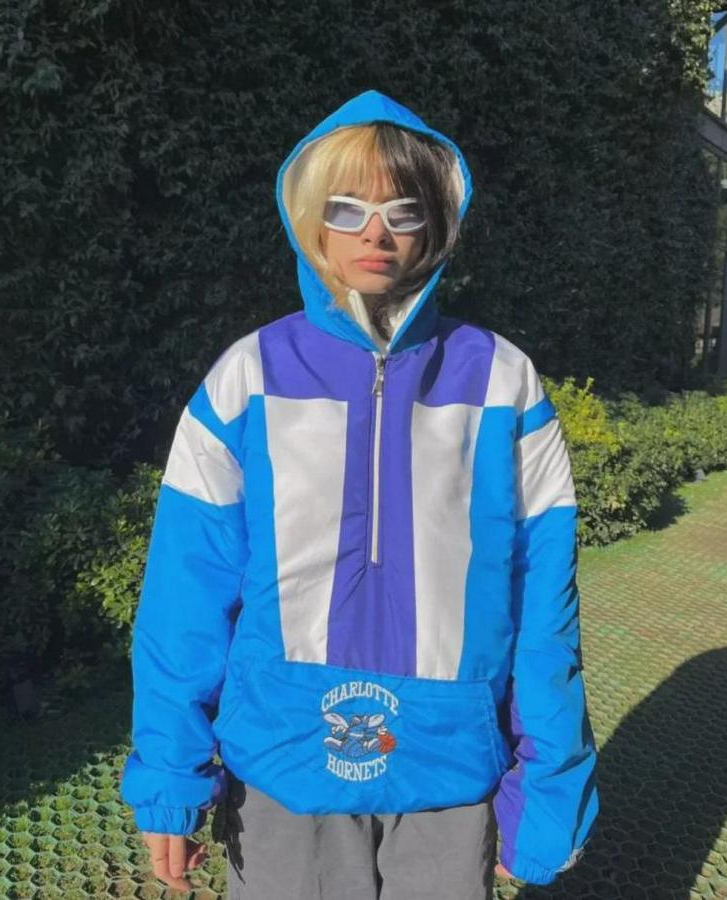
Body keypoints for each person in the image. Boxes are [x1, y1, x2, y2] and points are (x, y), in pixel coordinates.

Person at [120, 89, 599, 899]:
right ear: (309, 221)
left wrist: (550, 784)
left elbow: (544, 608)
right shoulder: (248, 377)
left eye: (402, 211)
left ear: (437, 225)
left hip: (449, 768)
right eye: (346, 209)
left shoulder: (502, 382)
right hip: (281, 767)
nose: (374, 233)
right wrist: (170, 770)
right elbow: (182, 596)